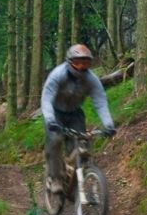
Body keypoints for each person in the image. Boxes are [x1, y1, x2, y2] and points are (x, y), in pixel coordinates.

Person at [41, 44, 116, 193]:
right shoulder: (58, 74)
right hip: (55, 113)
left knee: (81, 145)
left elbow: (100, 101)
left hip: (75, 113)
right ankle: (55, 178)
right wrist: (50, 119)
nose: (81, 67)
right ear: (69, 62)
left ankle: (75, 177)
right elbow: (46, 98)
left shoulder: (91, 79)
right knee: (55, 140)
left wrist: (108, 124)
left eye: (86, 63)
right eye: (77, 62)